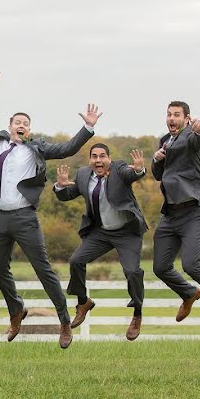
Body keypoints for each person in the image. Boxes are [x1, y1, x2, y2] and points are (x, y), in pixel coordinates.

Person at [0, 71, 101, 348]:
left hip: (24, 218)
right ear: (10, 125)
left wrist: (87, 129)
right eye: (18, 122)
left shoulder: (36, 149)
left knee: (44, 270)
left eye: (26, 124)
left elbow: (66, 149)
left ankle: (65, 321)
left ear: (29, 129)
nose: (21, 125)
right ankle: (16, 311)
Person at [54, 144, 148, 340]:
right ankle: (83, 302)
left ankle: (137, 313)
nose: (98, 160)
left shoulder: (120, 168)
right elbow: (68, 195)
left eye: (102, 156)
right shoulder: (83, 175)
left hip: (126, 232)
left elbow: (131, 175)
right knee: (76, 261)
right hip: (101, 232)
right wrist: (60, 186)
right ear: (89, 160)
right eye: (94, 157)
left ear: (109, 158)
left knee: (132, 271)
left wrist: (138, 169)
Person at [151, 101, 200, 322]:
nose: (171, 118)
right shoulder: (165, 141)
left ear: (186, 119)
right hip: (170, 213)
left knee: (191, 264)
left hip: (193, 211)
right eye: (168, 114)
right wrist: (156, 159)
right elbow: (159, 175)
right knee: (160, 267)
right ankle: (189, 293)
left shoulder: (190, 136)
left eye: (176, 115)